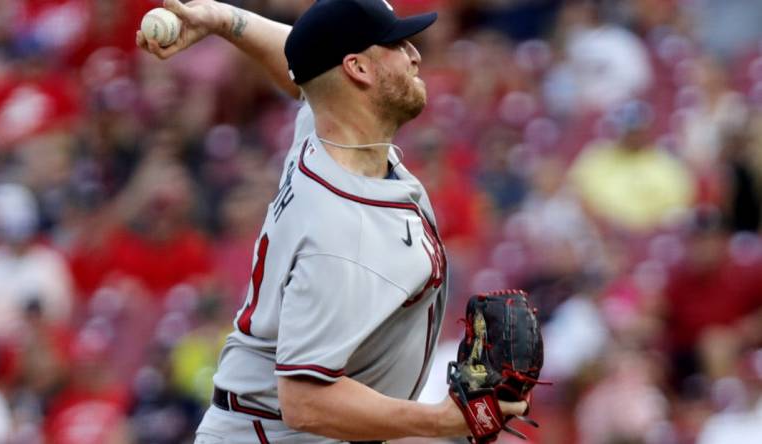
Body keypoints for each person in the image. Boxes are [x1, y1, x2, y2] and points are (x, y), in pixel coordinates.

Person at [137, 0, 527, 442]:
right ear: (359, 69)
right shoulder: (340, 234)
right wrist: (444, 420)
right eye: (396, 44)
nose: (415, 54)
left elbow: (308, 63)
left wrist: (226, 22)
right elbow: (305, 401)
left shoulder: (324, 132)